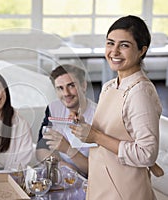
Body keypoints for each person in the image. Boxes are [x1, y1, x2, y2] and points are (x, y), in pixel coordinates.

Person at [70, 15, 163, 200]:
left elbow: (147, 154)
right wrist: (84, 125)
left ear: (141, 50)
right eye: (110, 43)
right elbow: (115, 131)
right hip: (102, 184)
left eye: (124, 45)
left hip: (124, 191)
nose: (114, 51)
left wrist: (95, 136)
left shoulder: (140, 93)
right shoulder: (110, 86)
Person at [36, 64, 96, 177]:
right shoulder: (53, 108)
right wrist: (63, 166)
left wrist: (67, 149)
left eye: (71, 86)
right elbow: (41, 150)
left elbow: (95, 169)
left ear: (83, 85)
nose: (66, 93)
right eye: (60, 88)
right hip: (61, 174)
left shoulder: (98, 115)